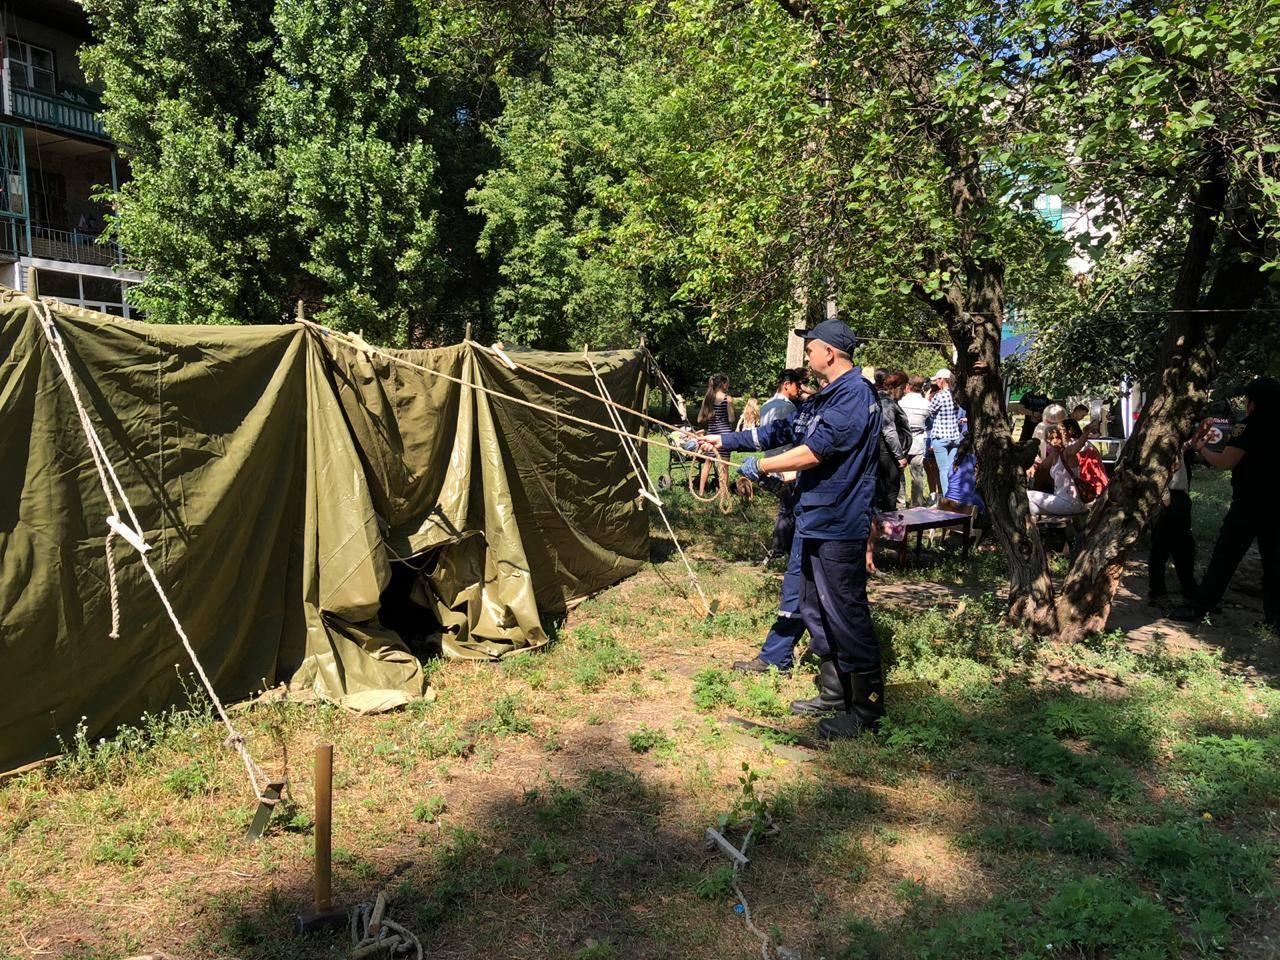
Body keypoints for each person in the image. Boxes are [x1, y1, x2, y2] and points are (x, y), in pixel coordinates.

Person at [701, 319, 883, 737]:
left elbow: (813, 452)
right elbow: (781, 430)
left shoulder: (854, 396)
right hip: (814, 518)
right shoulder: (823, 398)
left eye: (811, 348)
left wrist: (761, 465)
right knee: (814, 608)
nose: (807, 355)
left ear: (830, 353)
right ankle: (834, 692)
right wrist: (723, 443)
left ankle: (867, 714)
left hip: (839, 521)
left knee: (846, 613)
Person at [1188, 377, 1280, 632]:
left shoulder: (1248, 426)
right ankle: (1274, 619)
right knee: (1274, 562)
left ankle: (1201, 608)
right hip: (1277, 506)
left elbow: (1224, 462)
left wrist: (1201, 448)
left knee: (1225, 557)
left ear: (1253, 403)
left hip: (1249, 503)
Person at [870, 371, 911, 572]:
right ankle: (882, 545)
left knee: (884, 498)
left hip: (883, 456)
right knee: (886, 499)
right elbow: (889, 431)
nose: (904, 393)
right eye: (903, 389)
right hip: (886, 457)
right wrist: (900, 456)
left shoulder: (880, 399)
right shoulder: (886, 402)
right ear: (897, 387)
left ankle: (883, 543)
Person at [1149, 447, 1196, 604]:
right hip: (1165, 498)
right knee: (1160, 548)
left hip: (1180, 498)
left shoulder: (1180, 441)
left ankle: (1190, 593)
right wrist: (1164, 495)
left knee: (1184, 548)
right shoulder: (1161, 440)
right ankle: (1158, 593)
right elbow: (1156, 469)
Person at [1026, 425, 1086, 516]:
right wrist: (1033, 466)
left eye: (1056, 437)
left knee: (1028, 494)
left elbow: (1077, 446)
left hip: (1069, 502)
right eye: (1049, 439)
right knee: (1030, 507)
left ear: (1062, 438)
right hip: (1058, 500)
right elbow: (1041, 466)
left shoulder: (1067, 453)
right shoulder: (1053, 455)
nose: (1053, 441)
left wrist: (1087, 432)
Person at [926, 368, 963, 500]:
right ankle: (955, 495)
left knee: (943, 469)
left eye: (937, 380)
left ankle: (948, 498)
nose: (935, 382)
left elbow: (929, 412)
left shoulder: (939, 396)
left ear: (943, 380)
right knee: (951, 469)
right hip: (954, 437)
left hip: (940, 437)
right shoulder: (956, 395)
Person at [696, 374, 735, 496]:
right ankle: (723, 494)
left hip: (711, 435)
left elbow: (699, 420)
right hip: (724, 436)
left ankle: (701, 492)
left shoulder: (708, 399)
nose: (728, 385)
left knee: (708, 464)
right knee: (724, 466)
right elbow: (732, 418)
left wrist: (710, 416)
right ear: (723, 384)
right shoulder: (727, 398)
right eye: (727, 383)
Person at [898, 374, 930, 507]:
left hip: (902, 442)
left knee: (900, 475)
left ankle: (900, 503)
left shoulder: (901, 402)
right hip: (918, 441)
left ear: (908, 386)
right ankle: (917, 504)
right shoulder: (926, 404)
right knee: (917, 476)